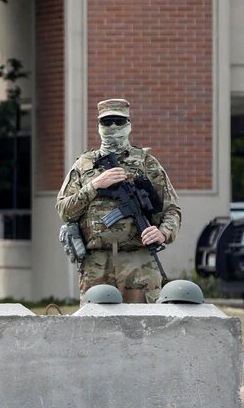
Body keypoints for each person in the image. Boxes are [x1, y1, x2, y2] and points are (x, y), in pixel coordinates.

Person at [56, 98, 182, 304]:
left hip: (138, 261)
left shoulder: (146, 163)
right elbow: (64, 210)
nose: (113, 126)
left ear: (128, 125)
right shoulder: (83, 165)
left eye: (119, 121)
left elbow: (172, 210)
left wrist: (162, 232)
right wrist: (95, 185)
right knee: (94, 329)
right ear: (99, 127)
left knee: (143, 329)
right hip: (96, 263)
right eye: (107, 122)